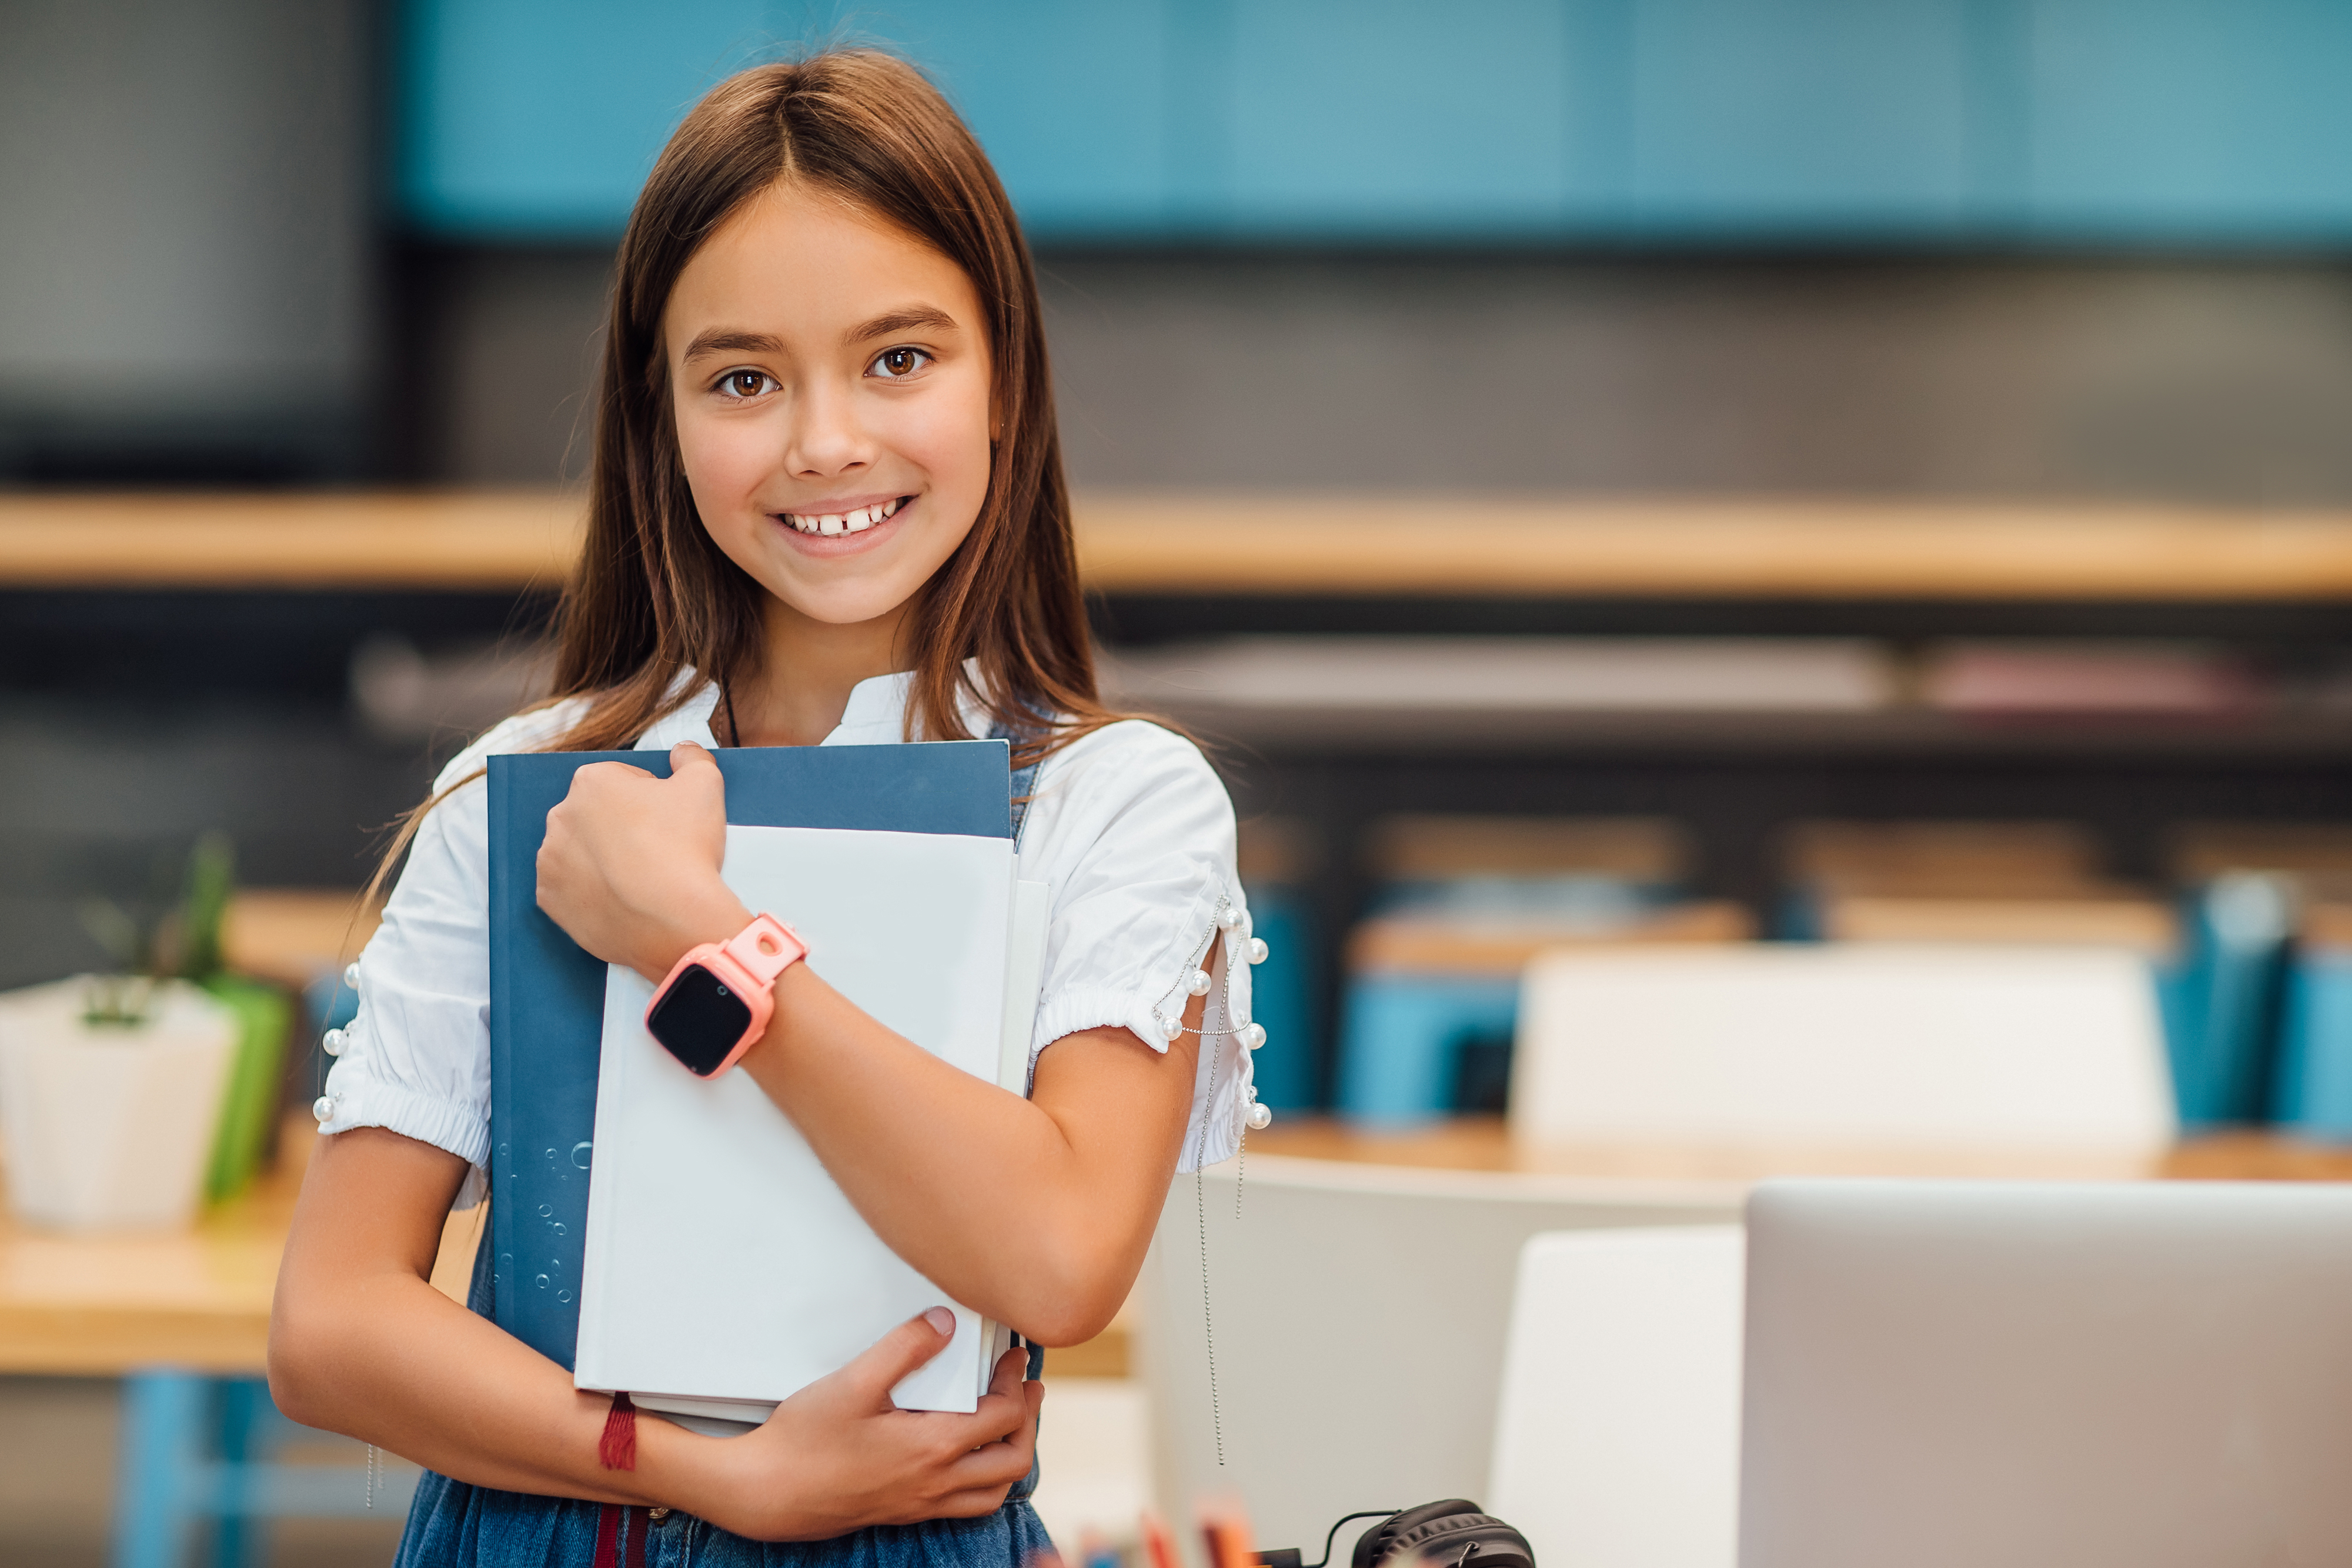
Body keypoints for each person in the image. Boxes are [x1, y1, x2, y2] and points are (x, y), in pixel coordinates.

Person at [268, 49, 1265, 1566]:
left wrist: (704, 936)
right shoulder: (524, 791)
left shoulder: (1112, 803)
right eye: (743, 378)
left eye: (899, 359)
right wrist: (713, 1474)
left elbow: (1060, 1254)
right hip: (542, 1533)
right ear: (659, 414)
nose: (824, 442)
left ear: (1005, 379)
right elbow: (330, 1323)